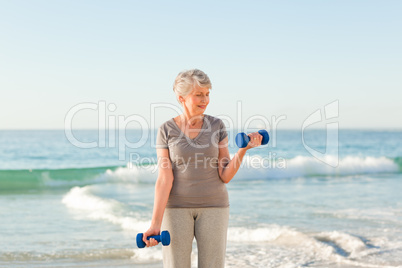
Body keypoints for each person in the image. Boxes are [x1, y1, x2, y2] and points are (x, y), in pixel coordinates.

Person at [142, 69, 262, 268]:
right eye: (199, 94)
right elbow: (165, 179)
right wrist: (155, 224)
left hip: (214, 207)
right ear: (182, 97)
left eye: (207, 94)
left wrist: (243, 150)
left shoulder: (217, 126)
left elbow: (225, 175)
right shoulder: (166, 130)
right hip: (176, 209)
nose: (205, 99)